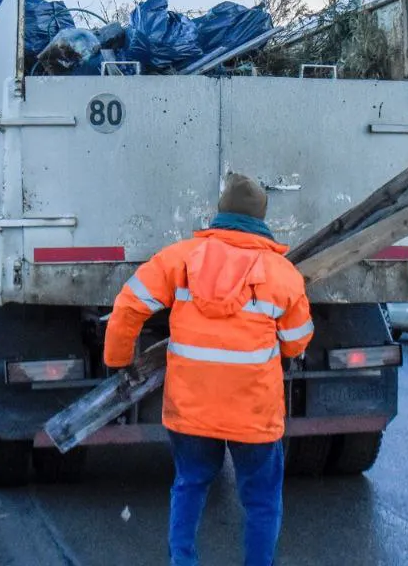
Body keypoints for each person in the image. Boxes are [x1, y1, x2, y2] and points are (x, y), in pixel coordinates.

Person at [104, 173, 313, 566]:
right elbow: (298, 341)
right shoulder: (283, 274)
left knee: (190, 483)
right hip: (254, 414)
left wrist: (119, 360)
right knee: (262, 500)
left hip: (191, 409)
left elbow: (128, 305)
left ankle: (182, 561)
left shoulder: (179, 259)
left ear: (221, 213)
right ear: (261, 219)